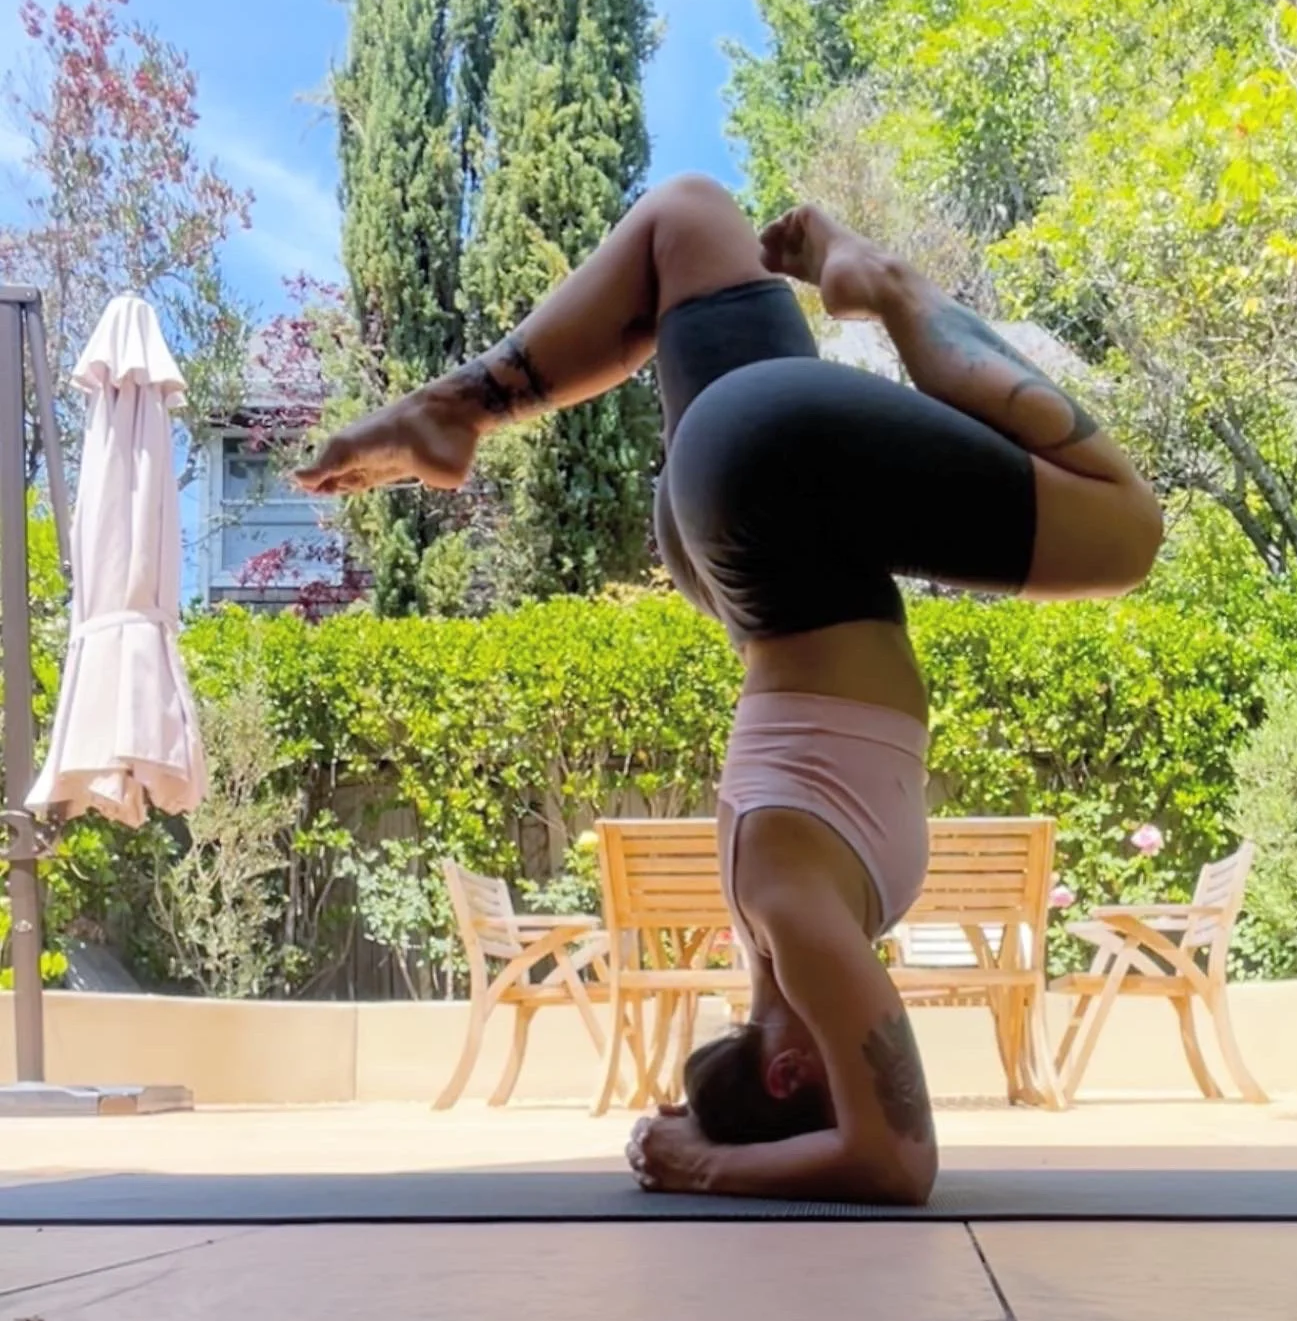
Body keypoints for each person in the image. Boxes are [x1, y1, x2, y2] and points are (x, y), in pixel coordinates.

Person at [297, 175, 1162, 1205]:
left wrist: (708, 1160)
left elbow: (899, 1163)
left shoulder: (792, 914)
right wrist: (706, 1127)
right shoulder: (780, 914)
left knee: (1125, 530)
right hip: (742, 546)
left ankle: (883, 283)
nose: (877, 1011)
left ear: (796, 1070)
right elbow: (864, 1127)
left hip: (769, 482)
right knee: (691, 221)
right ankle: (450, 410)